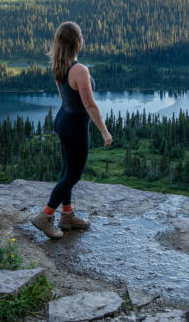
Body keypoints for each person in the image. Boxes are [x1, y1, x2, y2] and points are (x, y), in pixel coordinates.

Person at [31, 21, 113, 238]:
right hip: (75, 126)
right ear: (78, 42)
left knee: (67, 170)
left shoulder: (58, 65)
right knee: (73, 175)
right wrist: (104, 131)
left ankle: (67, 214)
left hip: (63, 120)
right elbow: (90, 105)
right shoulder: (79, 70)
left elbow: (64, 96)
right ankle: (45, 216)